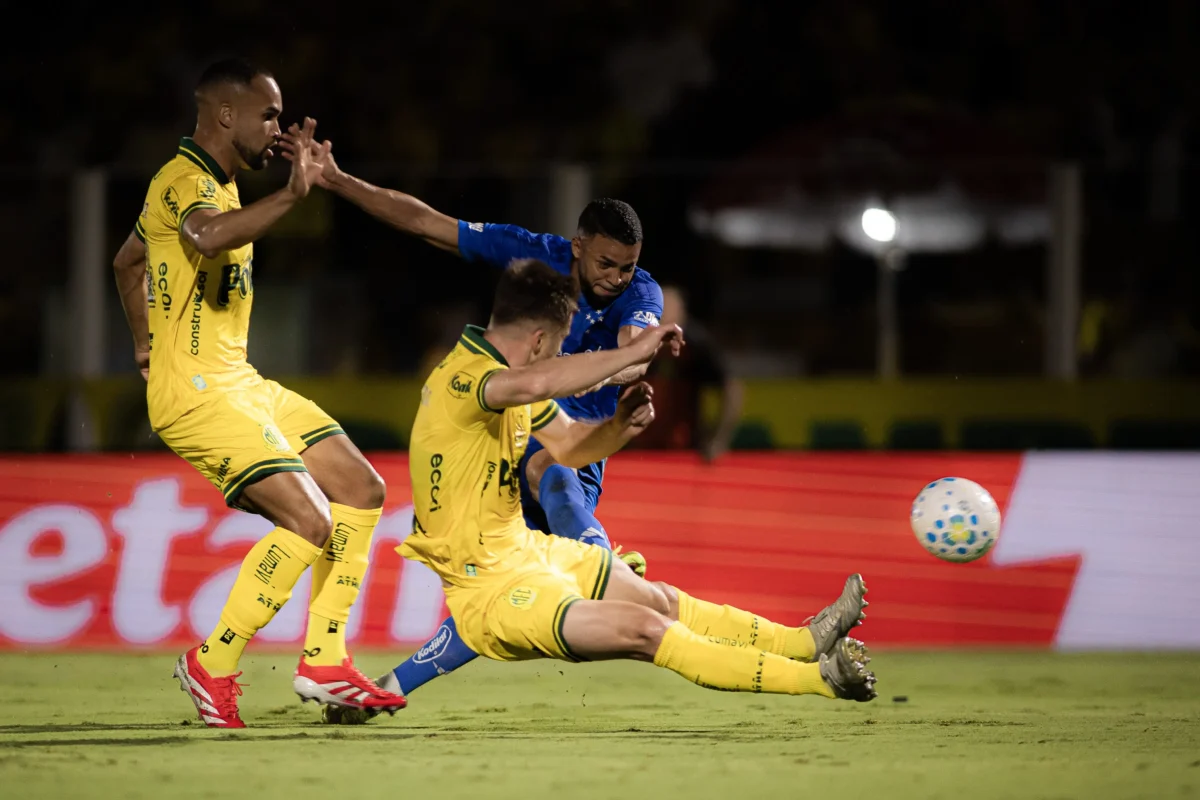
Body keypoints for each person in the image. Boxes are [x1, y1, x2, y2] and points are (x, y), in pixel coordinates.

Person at [350, 259, 876, 719]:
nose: (556, 356)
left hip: (530, 551)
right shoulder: (466, 380)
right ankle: (821, 679)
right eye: (557, 347)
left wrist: (618, 426)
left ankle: (804, 642)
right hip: (492, 592)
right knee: (644, 630)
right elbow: (536, 383)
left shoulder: (505, 379)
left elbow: (571, 444)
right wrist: (636, 350)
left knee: (660, 600)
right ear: (539, 340)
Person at [279, 131, 663, 702]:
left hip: (578, 444)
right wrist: (336, 180)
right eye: (607, 263)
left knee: (524, 538)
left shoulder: (640, 293)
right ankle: (600, 563)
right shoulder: (534, 255)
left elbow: (637, 355)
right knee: (510, 556)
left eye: (628, 267)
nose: (618, 278)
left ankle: (596, 563)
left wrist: (614, 367)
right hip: (513, 436)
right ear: (578, 246)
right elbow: (425, 222)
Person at [111, 58, 406, 728]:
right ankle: (211, 663)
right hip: (197, 395)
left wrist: (142, 341)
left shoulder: (221, 181)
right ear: (225, 115)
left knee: (361, 489)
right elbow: (207, 238)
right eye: (269, 113)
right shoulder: (184, 181)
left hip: (239, 382)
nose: (279, 126)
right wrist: (296, 196)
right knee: (310, 522)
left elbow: (127, 260)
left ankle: (326, 660)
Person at [626, 284, 743, 460]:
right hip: (635, 452)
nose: (662, 315)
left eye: (669, 309)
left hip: (684, 454)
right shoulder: (631, 341)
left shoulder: (697, 346)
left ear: (682, 313)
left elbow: (732, 390)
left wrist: (718, 440)